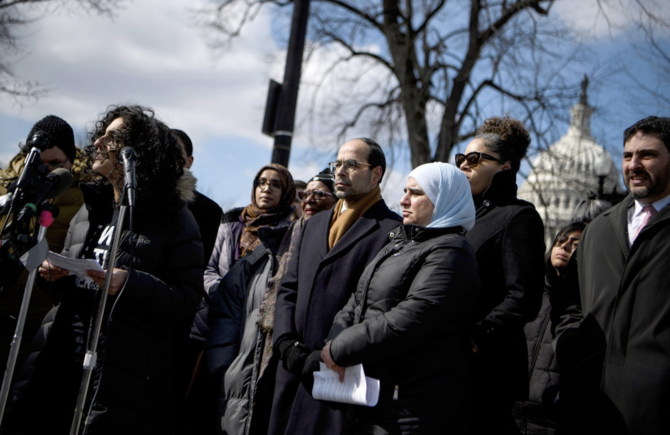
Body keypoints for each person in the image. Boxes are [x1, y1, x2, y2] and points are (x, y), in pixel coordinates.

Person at [7, 105, 204, 434]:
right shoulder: (90, 205)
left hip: (118, 373)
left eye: (111, 138)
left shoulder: (174, 218)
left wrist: (129, 283)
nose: (96, 142)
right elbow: (71, 287)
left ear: (136, 151)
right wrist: (55, 276)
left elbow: (185, 299)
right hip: (61, 356)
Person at [321, 162, 479, 434]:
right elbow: (357, 301)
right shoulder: (400, 244)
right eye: (405, 191)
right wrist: (334, 339)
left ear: (443, 200)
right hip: (371, 395)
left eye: (416, 194)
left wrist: (340, 348)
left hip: (412, 405)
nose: (403, 200)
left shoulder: (452, 252)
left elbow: (411, 318)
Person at [269, 138, 402, 435]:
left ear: (376, 174)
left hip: (340, 376)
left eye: (352, 165)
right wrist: (285, 344)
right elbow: (288, 288)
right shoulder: (313, 224)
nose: (340, 171)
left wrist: (331, 353)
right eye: (338, 163)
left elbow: (376, 305)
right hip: (292, 372)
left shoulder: (391, 231)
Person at [551, 116, 670, 435]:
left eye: (648, 155)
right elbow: (569, 301)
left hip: (650, 411)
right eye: (628, 155)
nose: (634, 164)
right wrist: (570, 346)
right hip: (583, 403)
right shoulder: (598, 229)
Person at [206, 168, 332, 435]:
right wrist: (224, 365)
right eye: (305, 194)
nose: (309, 200)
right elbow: (230, 300)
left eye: (319, 195)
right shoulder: (269, 247)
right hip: (248, 361)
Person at [187, 164, 295, 434]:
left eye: (275, 184)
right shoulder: (231, 221)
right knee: (199, 398)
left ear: (287, 191)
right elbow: (208, 268)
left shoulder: (290, 232)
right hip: (212, 320)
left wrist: (248, 301)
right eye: (261, 182)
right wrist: (226, 294)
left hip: (254, 325)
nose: (266, 189)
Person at [456, 116, 545, 434]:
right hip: (449, 368)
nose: (464, 165)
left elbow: (524, 297)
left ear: (505, 166)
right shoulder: (463, 218)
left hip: (487, 371)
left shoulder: (518, 217)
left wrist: (475, 339)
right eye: (461, 158)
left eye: (474, 159)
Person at [512, 222, 585, 435]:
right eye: (561, 241)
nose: (564, 247)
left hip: (551, 419)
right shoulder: (527, 293)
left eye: (575, 244)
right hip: (510, 413)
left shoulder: (587, 304)